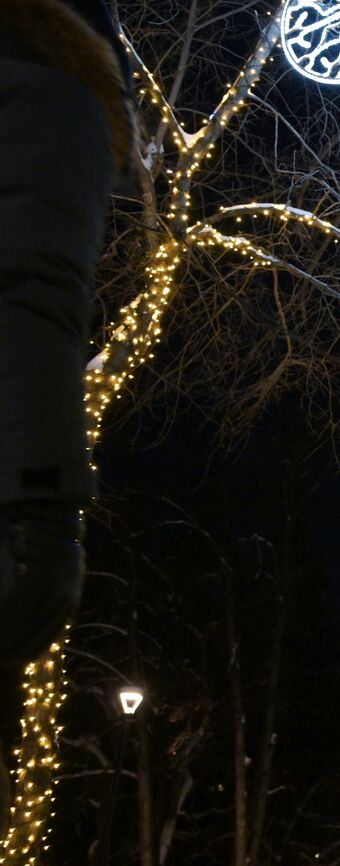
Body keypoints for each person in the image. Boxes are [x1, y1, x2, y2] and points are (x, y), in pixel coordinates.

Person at [0, 0, 134, 669]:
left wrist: (42, 503)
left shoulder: (35, 84)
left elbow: (29, 292)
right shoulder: (48, 89)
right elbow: (33, 293)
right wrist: (45, 512)